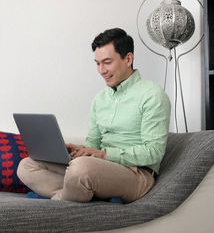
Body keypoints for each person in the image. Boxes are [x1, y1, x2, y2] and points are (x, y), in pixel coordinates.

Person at [17, 28, 171, 203]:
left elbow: (154, 152)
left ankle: (61, 199)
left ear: (128, 59)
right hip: (99, 168)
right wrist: (77, 150)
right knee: (27, 165)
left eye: (107, 62)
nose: (101, 70)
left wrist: (104, 155)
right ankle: (84, 193)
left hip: (136, 174)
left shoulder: (152, 95)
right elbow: (93, 143)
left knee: (80, 169)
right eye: (97, 63)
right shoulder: (100, 99)